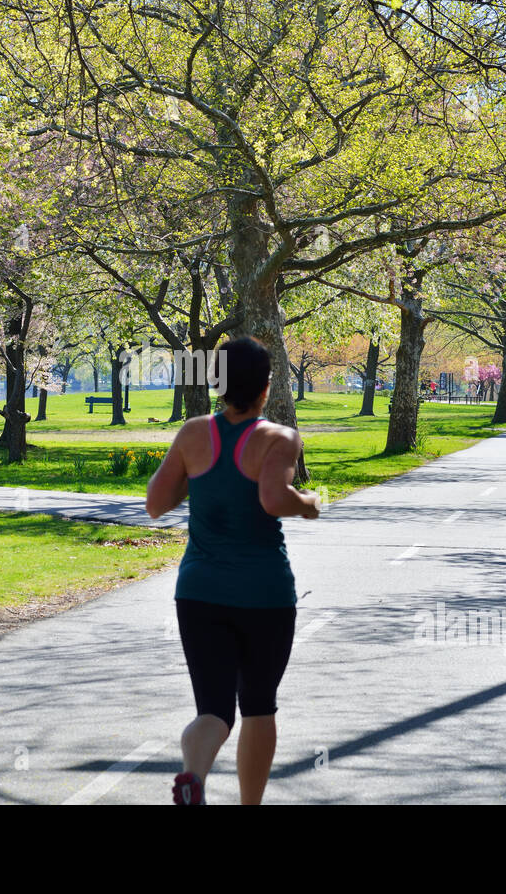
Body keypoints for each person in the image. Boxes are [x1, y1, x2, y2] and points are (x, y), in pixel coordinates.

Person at [146, 336, 321, 805]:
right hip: (263, 595)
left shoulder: (192, 433)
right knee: (259, 706)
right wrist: (308, 504)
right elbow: (272, 498)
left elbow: (156, 503)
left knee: (214, 711)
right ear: (266, 386)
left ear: (217, 383)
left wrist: (198, 479)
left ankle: (194, 777)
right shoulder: (279, 438)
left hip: (199, 593)